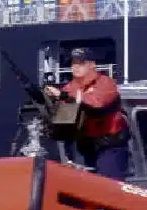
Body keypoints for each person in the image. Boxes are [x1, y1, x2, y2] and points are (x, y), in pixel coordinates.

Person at [44, 47, 131, 181]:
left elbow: (97, 102)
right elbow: (65, 114)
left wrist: (63, 95)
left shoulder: (106, 83)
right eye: (73, 63)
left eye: (81, 63)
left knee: (109, 186)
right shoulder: (70, 87)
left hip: (110, 146)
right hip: (84, 146)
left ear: (92, 65)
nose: (75, 67)